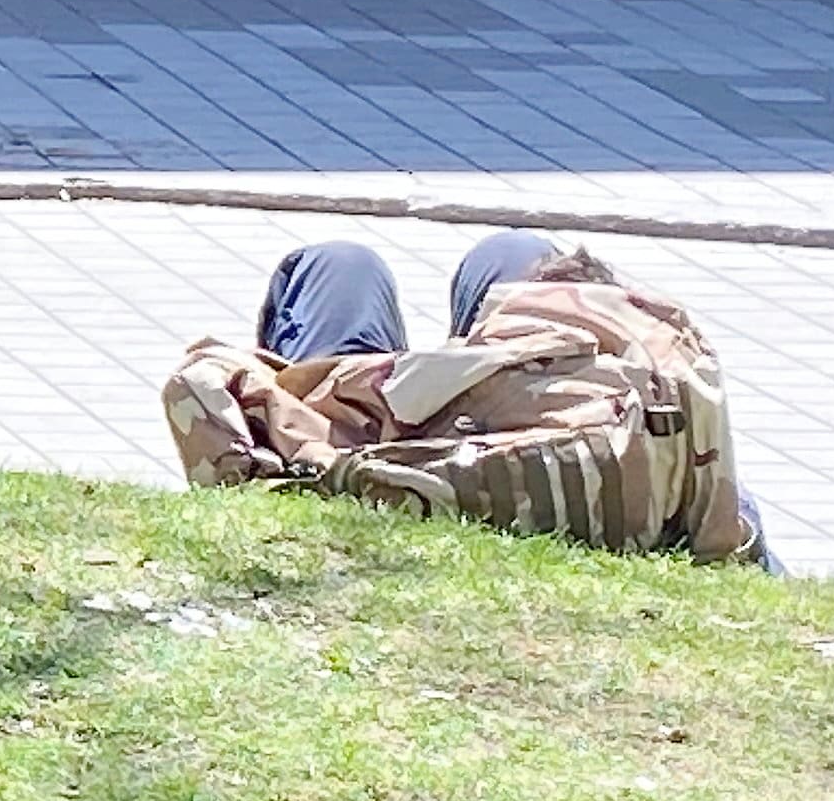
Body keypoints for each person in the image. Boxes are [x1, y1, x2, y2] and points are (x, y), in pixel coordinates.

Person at [183, 228, 766, 563]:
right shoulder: (680, 382)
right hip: (638, 440)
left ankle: (522, 324)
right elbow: (736, 540)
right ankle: (558, 311)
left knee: (340, 265)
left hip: (425, 430)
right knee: (514, 251)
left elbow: (345, 405)